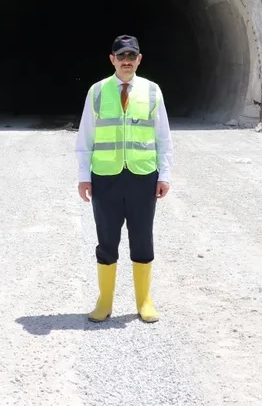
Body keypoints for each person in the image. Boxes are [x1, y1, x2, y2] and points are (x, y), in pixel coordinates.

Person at [74, 34, 173, 324]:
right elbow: (85, 137)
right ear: (112, 59)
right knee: (107, 240)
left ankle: (144, 301)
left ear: (139, 59)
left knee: (142, 238)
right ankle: (104, 301)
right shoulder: (97, 92)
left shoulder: (153, 92)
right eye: (122, 56)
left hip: (143, 176)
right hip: (106, 177)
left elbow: (163, 137)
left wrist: (164, 174)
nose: (127, 61)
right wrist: (84, 177)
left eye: (132, 56)